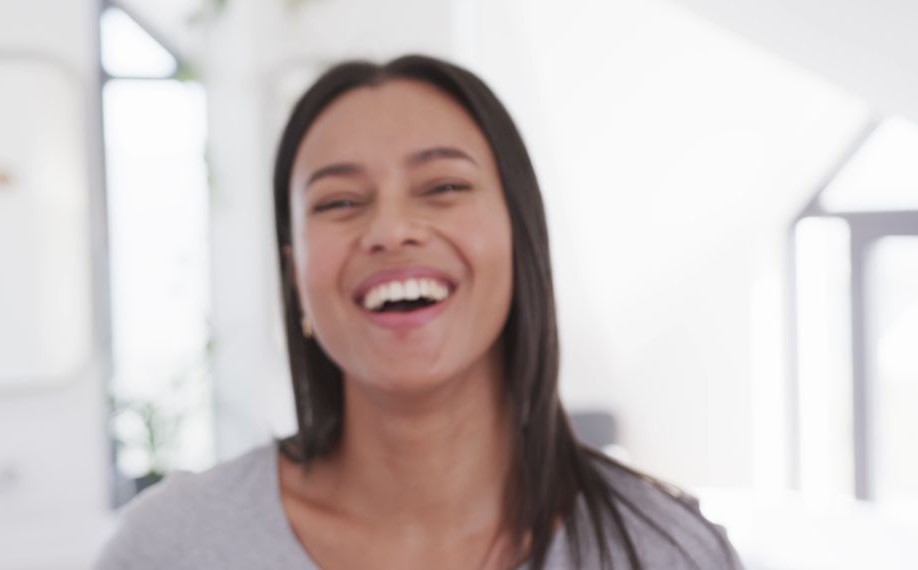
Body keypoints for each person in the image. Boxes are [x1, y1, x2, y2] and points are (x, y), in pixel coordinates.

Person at [94, 54, 743, 570]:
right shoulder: (172, 546)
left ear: (521, 239)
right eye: (340, 202)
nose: (392, 229)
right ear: (294, 274)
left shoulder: (668, 552)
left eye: (444, 188)